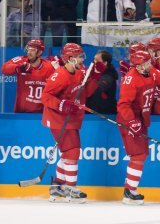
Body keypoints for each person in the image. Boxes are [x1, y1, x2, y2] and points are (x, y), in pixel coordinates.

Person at [41, 43, 102, 203]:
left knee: (68, 153)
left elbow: (86, 92)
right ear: (70, 58)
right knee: (73, 153)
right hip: (57, 118)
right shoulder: (59, 75)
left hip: (71, 118)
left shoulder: (81, 71)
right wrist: (61, 104)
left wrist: (94, 77)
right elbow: (45, 96)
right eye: (80, 56)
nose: (83, 59)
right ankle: (71, 188)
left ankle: (57, 187)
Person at [116, 49, 160, 205]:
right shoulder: (130, 80)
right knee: (138, 155)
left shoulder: (151, 72)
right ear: (138, 66)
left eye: (149, 61)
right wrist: (131, 121)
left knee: (141, 155)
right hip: (129, 121)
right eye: (146, 63)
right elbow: (123, 105)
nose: (149, 64)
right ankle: (129, 192)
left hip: (141, 120)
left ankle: (129, 190)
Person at [0, 39, 54, 113]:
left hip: (41, 114)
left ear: (40, 52)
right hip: (21, 112)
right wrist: (17, 68)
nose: (29, 52)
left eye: (33, 50)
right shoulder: (21, 61)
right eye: (28, 49)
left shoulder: (50, 66)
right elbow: (4, 68)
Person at [86, 50, 119, 115]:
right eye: (94, 59)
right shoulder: (92, 71)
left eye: (97, 60)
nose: (94, 62)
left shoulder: (109, 76)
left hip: (103, 113)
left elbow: (96, 89)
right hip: (92, 110)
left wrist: (95, 76)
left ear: (105, 63)